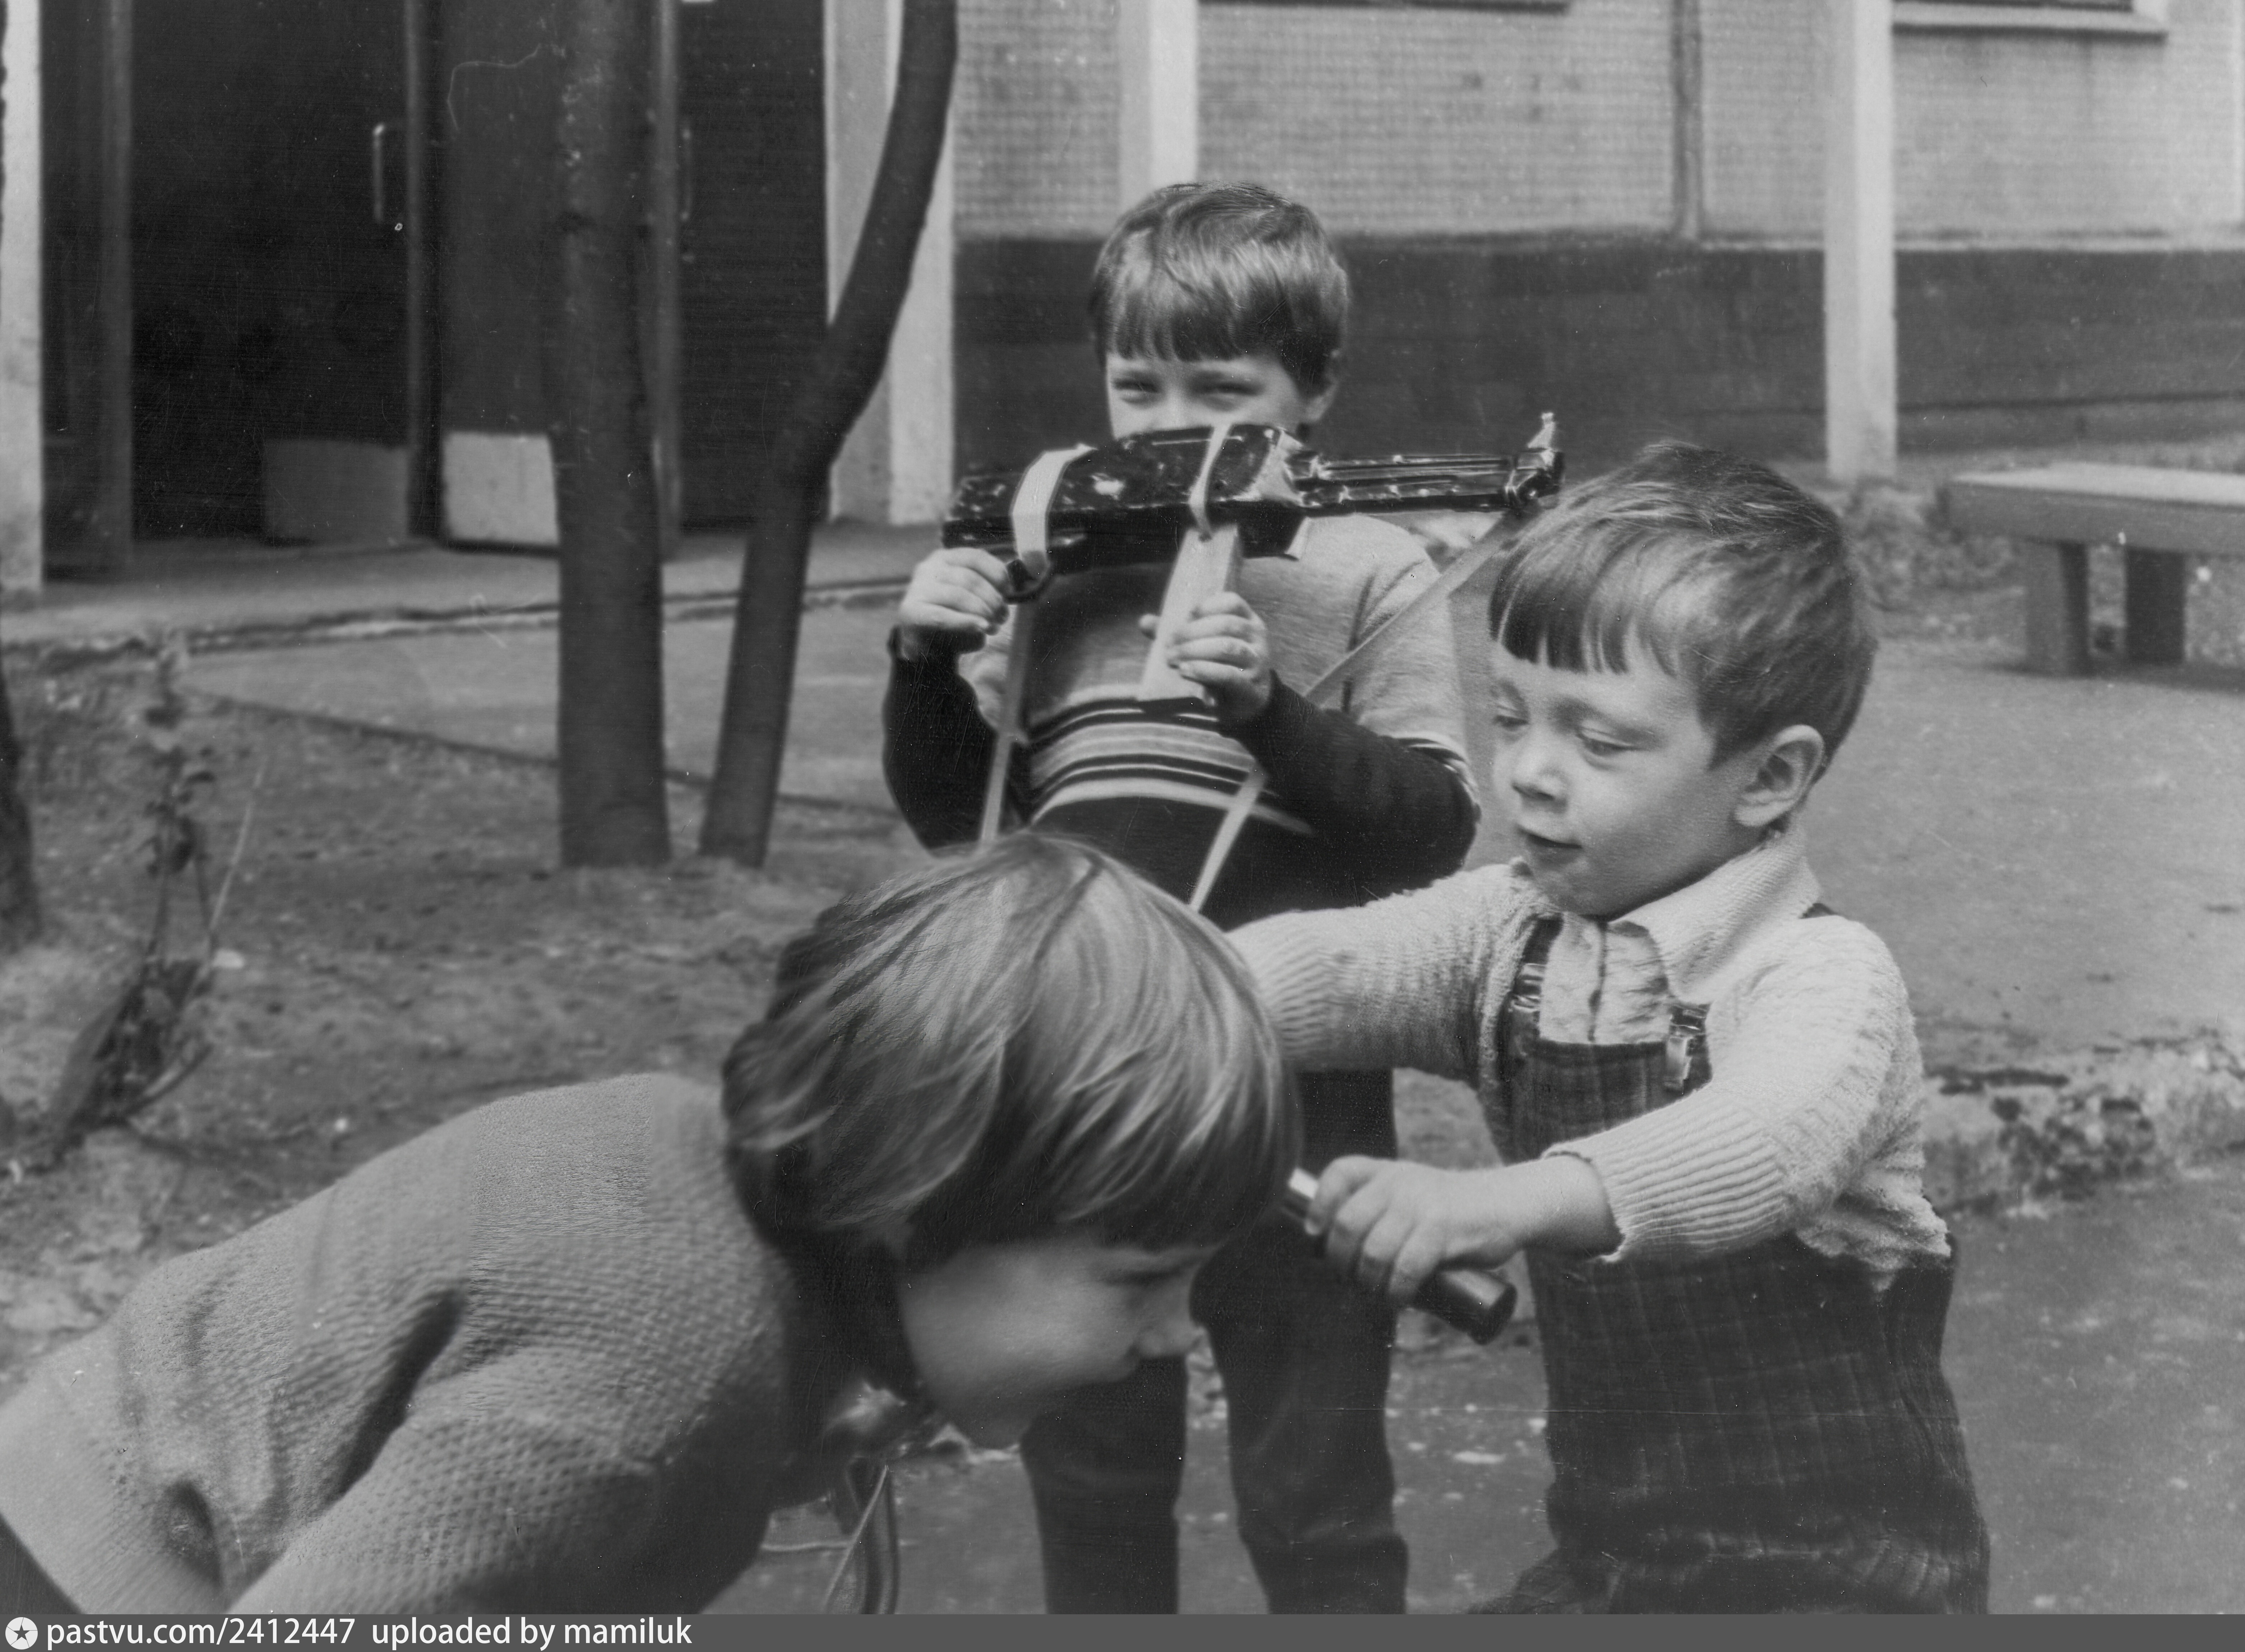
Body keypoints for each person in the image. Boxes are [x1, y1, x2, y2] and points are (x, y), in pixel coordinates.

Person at [0, 836, 1297, 1615]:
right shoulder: (661, 1378)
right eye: (1139, 1279)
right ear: (916, 1197)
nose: (1176, 1334)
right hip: (108, 1579)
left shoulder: (708, 1186)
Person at [1233, 441, 1993, 1614]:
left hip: (1843, 1578)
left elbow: (1765, 1142)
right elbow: (1324, 966)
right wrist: (1140, 992)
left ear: (1767, 778)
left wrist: (1495, 1202)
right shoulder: (1510, 934)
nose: (1529, 774)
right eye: (1508, 716)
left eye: (1598, 740)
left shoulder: (1818, 975)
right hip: (1616, 1567)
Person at [883, 181, 1477, 1614]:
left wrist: (1270, 710)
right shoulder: (1061, 568)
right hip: (1086, 1081)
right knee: (1092, 1471)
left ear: (1313, 391)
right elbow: (971, 820)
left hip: (1295, 1084)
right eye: (1135, 387)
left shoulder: (1373, 564)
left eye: (1221, 390)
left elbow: (1429, 835)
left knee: (1315, 1488)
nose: (1168, 425)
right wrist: (924, 664)